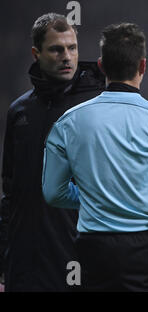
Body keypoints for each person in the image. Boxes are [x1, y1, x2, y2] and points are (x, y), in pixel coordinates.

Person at [42, 22, 148, 292]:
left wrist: (94, 196)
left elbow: (52, 192)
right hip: (147, 251)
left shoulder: (68, 122)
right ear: (143, 66)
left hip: (93, 251)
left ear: (102, 66)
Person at [0, 13, 104, 291]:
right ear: (36, 53)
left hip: (79, 262)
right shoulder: (19, 112)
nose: (67, 57)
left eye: (72, 48)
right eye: (57, 49)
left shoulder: (99, 107)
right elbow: (11, 193)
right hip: (24, 267)